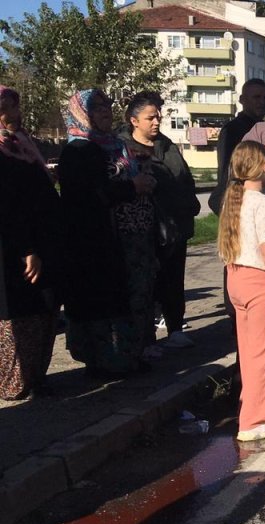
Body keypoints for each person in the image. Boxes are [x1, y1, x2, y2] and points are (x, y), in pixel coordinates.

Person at [59, 89, 157, 378]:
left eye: (106, 106)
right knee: (101, 303)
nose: (104, 112)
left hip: (123, 238)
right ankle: (106, 362)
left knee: (127, 298)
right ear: (80, 113)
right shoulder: (78, 150)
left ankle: (126, 357)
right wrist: (131, 187)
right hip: (92, 242)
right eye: (96, 108)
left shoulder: (113, 145)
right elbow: (88, 196)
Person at [217, 141, 265, 442]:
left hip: (237, 278)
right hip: (260, 281)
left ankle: (250, 411)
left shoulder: (235, 199)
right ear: (263, 167)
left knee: (249, 353)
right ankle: (258, 420)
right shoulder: (263, 203)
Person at [121, 93, 201, 350]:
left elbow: (184, 178)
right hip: (143, 228)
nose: (157, 122)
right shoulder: (123, 149)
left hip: (175, 228)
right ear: (134, 121)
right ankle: (146, 339)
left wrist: (189, 206)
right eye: (150, 117)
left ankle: (175, 327)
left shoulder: (167, 146)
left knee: (174, 280)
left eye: (158, 117)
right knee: (146, 283)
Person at [0, 86, 61, 399]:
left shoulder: (24, 144)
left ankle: (37, 376)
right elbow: (8, 206)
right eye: (4, 109)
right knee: (18, 312)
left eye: (14, 107)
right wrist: (27, 249)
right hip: (14, 250)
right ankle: (15, 382)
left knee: (45, 307)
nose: (12, 115)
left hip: (43, 241)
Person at [211, 79, 265, 213]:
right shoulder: (233, 130)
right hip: (240, 202)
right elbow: (227, 170)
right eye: (256, 97)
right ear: (242, 100)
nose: (262, 102)